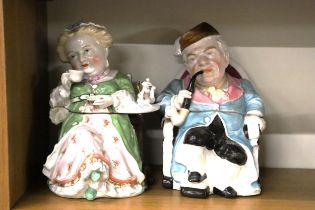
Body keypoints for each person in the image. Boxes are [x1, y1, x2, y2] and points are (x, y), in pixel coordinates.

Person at [157, 22, 266, 198]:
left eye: (209, 53)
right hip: (195, 133)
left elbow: (255, 101)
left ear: (226, 57)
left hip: (231, 135)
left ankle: (223, 183)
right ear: (187, 66)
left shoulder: (242, 86)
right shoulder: (181, 86)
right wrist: (173, 103)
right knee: (196, 138)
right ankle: (194, 179)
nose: (201, 62)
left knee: (235, 155)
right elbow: (161, 100)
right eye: (192, 58)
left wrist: (254, 115)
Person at [43, 22, 145, 200]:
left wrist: (112, 99)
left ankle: (107, 180)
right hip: (78, 124)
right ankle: (83, 179)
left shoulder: (118, 77)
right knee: (81, 137)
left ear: (105, 50)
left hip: (111, 125)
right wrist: (65, 87)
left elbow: (130, 99)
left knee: (110, 143)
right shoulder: (70, 82)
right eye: (73, 55)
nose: (82, 59)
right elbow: (56, 107)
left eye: (87, 50)